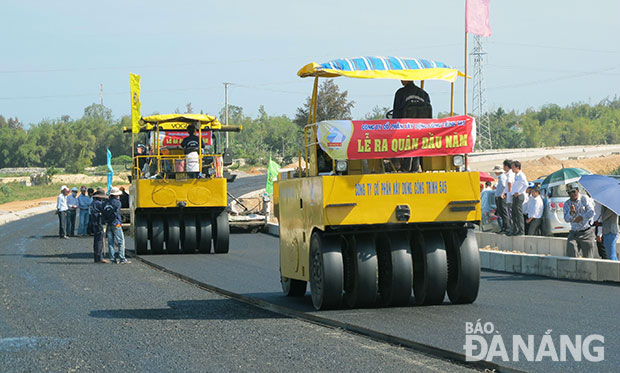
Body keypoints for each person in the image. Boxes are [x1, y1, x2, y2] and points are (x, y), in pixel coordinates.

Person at [563, 183, 596, 258]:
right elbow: (566, 219)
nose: (572, 194)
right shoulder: (567, 204)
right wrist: (571, 213)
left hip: (586, 232)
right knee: (571, 252)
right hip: (574, 232)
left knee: (588, 257)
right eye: (569, 193)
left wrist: (582, 217)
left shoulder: (584, 199)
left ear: (578, 191)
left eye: (573, 192)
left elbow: (591, 212)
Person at [105, 187, 130, 264]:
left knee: (110, 242)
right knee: (121, 241)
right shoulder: (117, 202)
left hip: (108, 223)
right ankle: (122, 258)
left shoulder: (106, 202)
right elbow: (117, 212)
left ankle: (112, 259)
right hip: (116, 223)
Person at [90, 189, 108, 263]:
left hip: (93, 222)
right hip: (98, 222)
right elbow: (104, 211)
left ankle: (96, 257)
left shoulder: (93, 203)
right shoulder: (99, 204)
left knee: (96, 240)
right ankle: (99, 257)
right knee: (100, 240)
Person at [510, 161, 528, 235]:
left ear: (517, 167)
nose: (512, 169)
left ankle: (521, 230)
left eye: (513, 167)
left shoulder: (521, 175)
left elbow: (526, 185)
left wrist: (519, 192)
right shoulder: (516, 175)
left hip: (519, 196)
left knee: (518, 213)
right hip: (515, 195)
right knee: (514, 213)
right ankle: (515, 229)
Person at [493, 164, 509, 233]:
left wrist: (503, 193)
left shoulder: (502, 177)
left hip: (501, 197)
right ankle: (504, 227)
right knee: (501, 213)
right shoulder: (500, 177)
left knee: (503, 212)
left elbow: (504, 185)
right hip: (499, 196)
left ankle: (506, 228)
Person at [502, 160, 515, 234]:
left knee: (509, 213)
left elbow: (510, 183)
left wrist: (508, 193)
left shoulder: (510, 174)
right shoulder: (509, 174)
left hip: (509, 196)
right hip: (509, 195)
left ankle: (511, 229)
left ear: (506, 166)